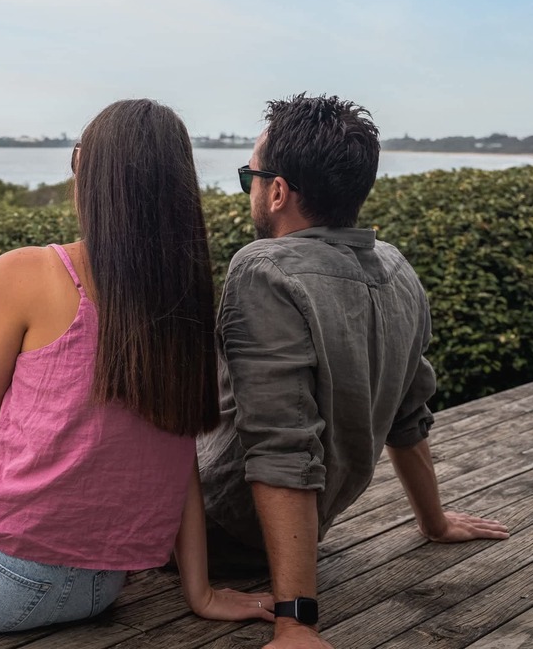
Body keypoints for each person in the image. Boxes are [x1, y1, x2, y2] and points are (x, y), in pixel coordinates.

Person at [0, 99, 274, 633]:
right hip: (97, 586)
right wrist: (200, 592)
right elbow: (178, 451)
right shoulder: (182, 301)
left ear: (89, 176)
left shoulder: (23, 273)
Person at [197, 93, 510, 649]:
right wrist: (434, 522)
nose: (250, 190)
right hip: (303, 529)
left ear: (277, 191)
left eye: (250, 176)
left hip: (217, 530)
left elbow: (281, 444)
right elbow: (409, 411)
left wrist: (296, 622)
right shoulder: (395, 266)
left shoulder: (263, 268)